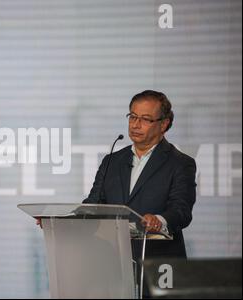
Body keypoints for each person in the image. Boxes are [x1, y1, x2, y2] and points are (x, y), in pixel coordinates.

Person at [83, 90, 197, 258]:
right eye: (133, 117)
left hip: (158, 261)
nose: (135, 125)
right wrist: (60, 222)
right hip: (113, 258)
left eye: (145, 119)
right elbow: (93, 205)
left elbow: (181, 211)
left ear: (164, 124)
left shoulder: (180, 163)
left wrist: (159, 220)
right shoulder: (112, 161)